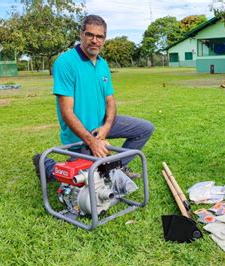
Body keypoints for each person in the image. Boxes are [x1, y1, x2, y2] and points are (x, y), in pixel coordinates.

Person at [33, 15, 154, 180]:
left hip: (101, 124)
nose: (94, 40)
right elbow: (66, 112)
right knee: (84, 179)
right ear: (81, 34)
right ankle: (46, 165)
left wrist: (106, 127)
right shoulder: (65, 63)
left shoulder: (103, 64)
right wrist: (92, 142)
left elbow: (110, 100)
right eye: (90, 35)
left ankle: (117, 167)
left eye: (100, 36)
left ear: (104, 39)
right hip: (79, 132)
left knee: (144, 129)